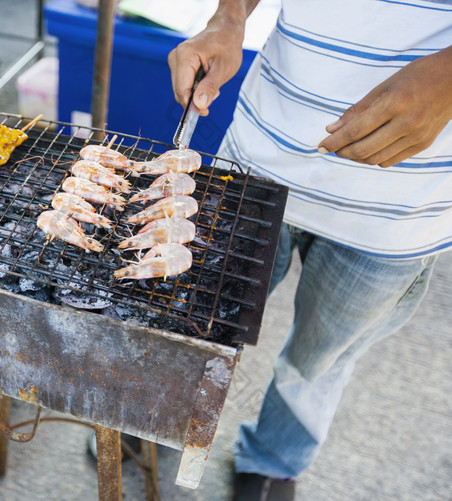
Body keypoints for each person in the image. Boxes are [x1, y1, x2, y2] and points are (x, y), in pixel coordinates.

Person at [168, 1, 452, 500]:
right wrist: (230, 18)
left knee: (319, 358)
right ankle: (154, 420)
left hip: (397, 209)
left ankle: (273, 460)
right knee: (194, 320)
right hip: (257, 158)